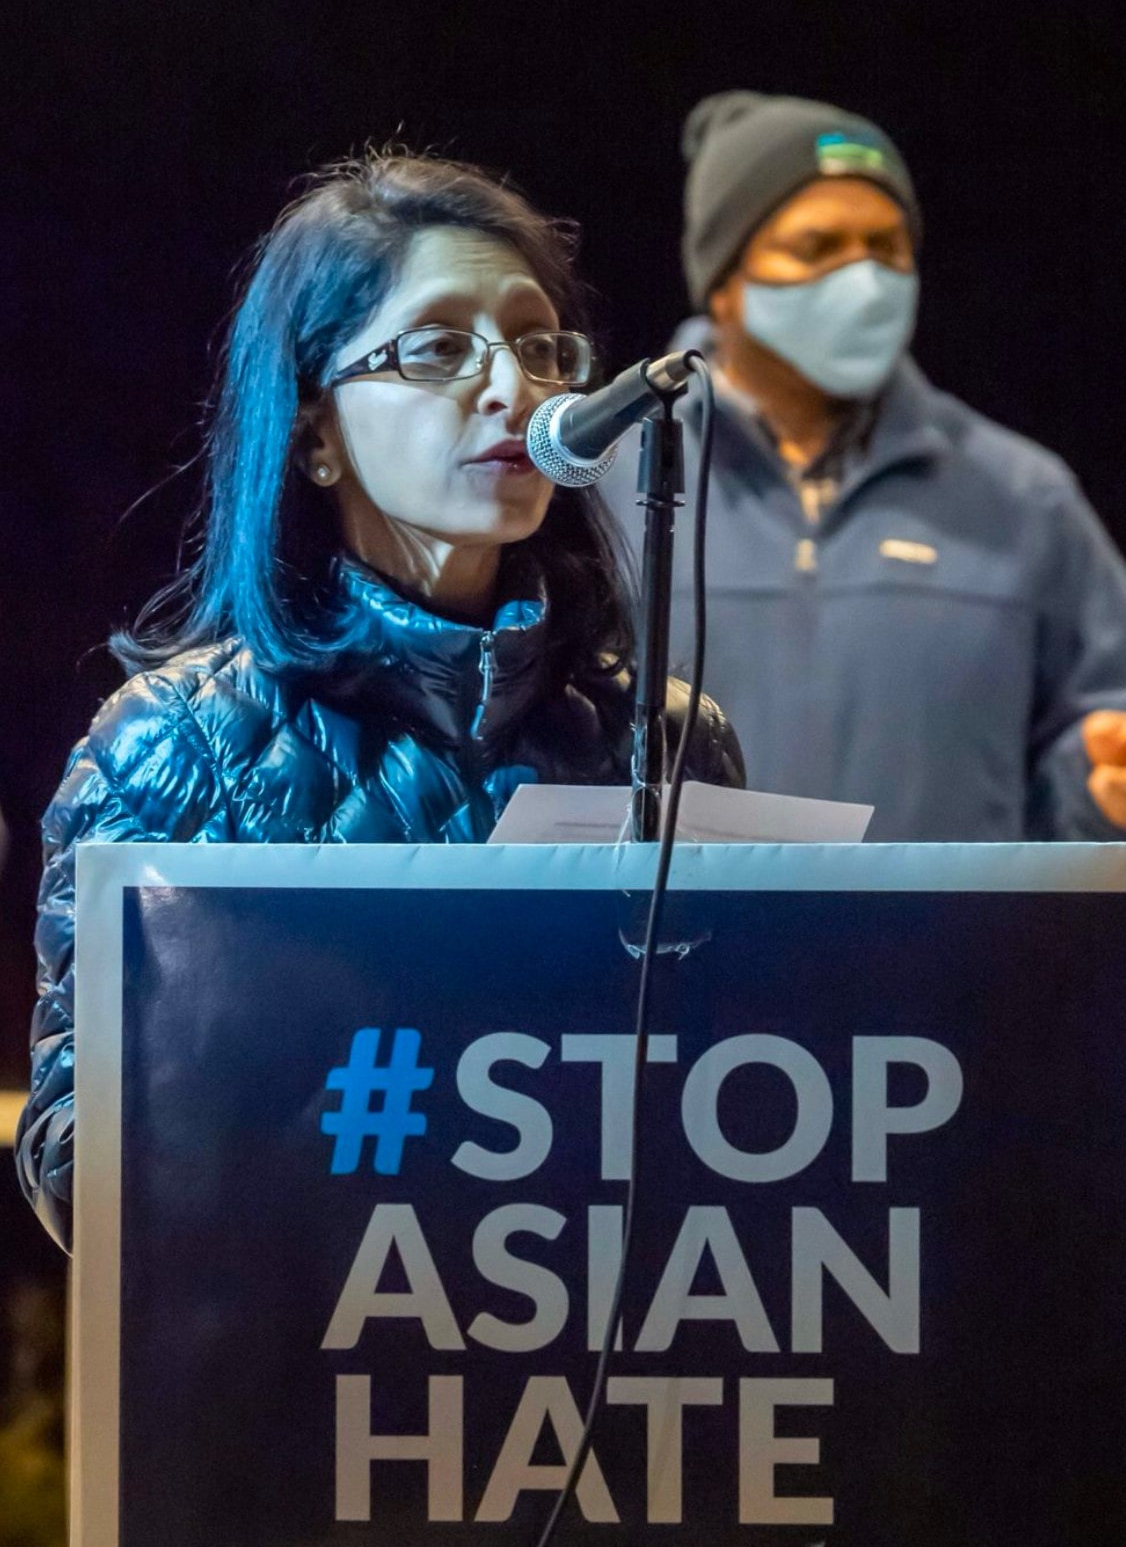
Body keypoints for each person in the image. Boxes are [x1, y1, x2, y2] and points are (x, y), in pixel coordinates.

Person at [16, 150, 743, 1252]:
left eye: (541, 346)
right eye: (441, 346)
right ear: (314, 432)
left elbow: (764, 1095)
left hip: (594, 1358)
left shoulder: (668, 737)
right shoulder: (168, 747)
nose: (515, 386)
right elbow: (75, 1168)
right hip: (311, 1373)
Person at [598, 91, 1126, 841]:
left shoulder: (1019, 494)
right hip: (677, 953)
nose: (865, 278)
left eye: (887, 247)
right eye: (817, 248)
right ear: (723, 282)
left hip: (954, 955)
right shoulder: (610, 478)